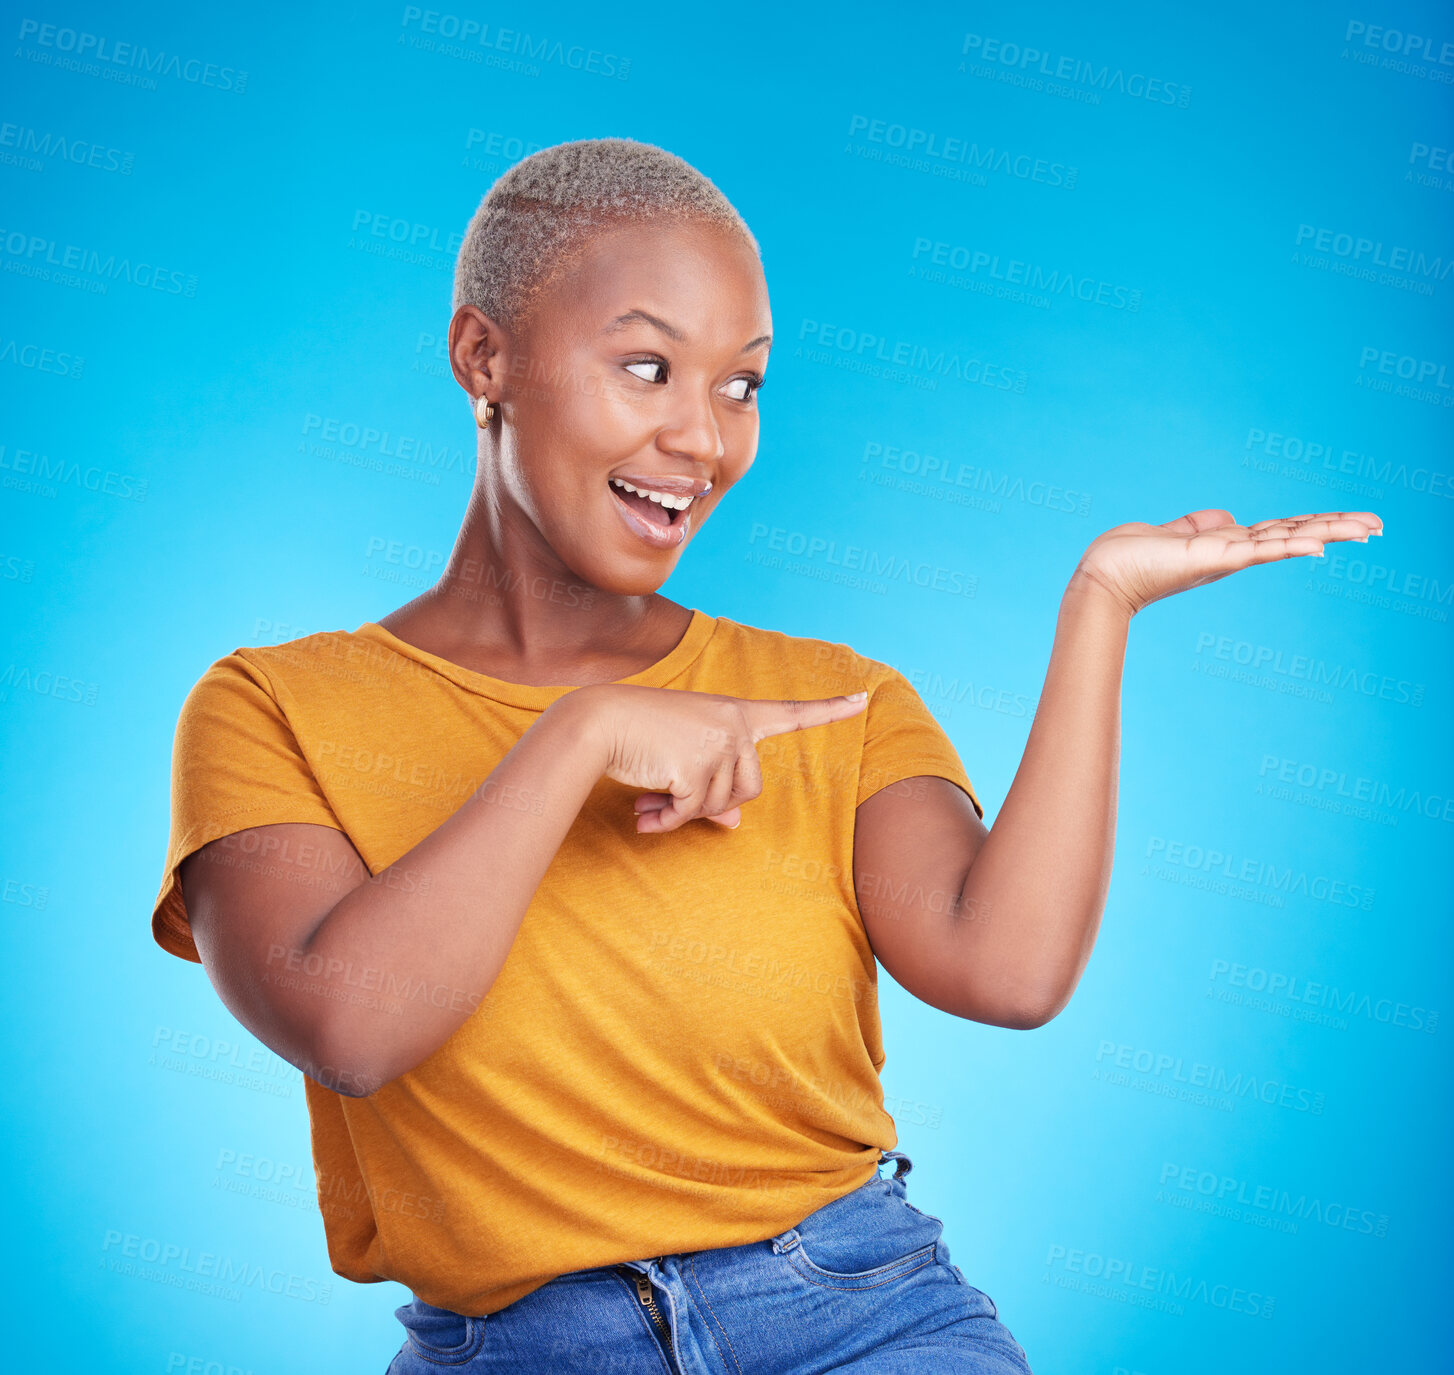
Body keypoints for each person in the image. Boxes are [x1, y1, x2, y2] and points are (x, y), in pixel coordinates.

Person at [150, 137, 1382, 1373]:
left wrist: (1100, 606)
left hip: (858, 1309)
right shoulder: (272, 704)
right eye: (647, 368)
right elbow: (351, 1029)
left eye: (740, 387)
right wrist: (576, 740)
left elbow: (1003, 970)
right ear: (485, 357)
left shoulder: (826, 699)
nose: (703, 439)